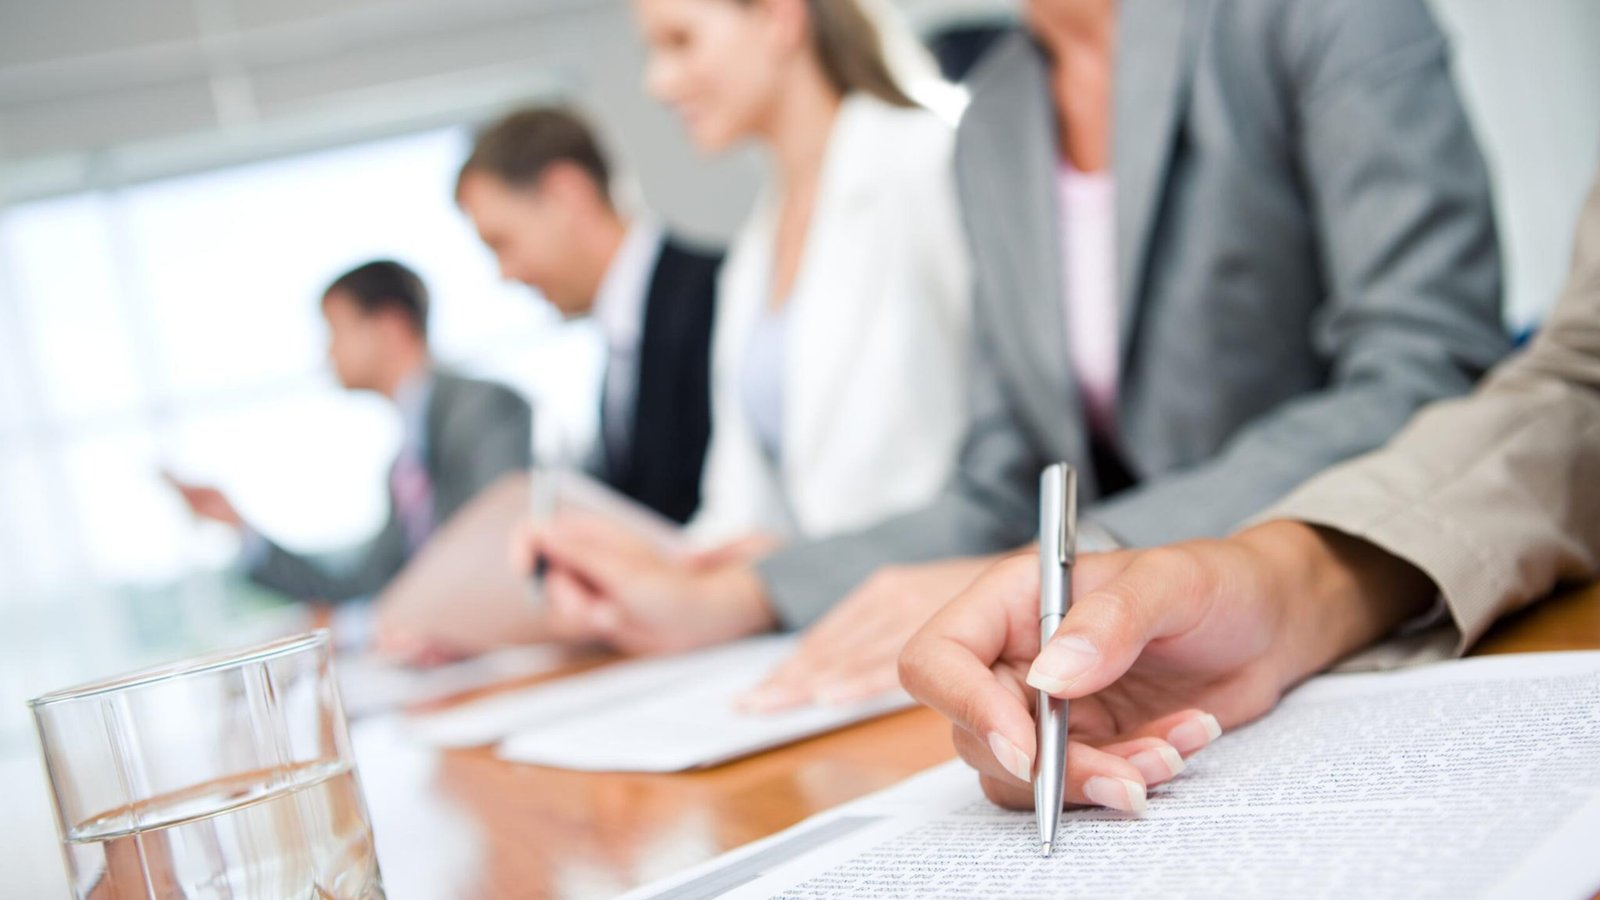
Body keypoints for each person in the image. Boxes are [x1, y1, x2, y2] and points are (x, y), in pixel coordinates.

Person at [528, 0, 1512, 689]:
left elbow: (1423, 365)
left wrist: (1081, 561)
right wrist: (743, 592)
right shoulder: (992, 119)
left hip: (1383, 623)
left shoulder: (1308, 16)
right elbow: (998, 480)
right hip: (1132, 668)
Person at [897, 163, 1600, 811]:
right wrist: (1279, 587)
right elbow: (1579, 388)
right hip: (1222, 607)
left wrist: (1128, 543)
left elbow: (1420, 359)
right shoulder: (994, 119)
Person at [523, 0, 974, 652]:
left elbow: (1009, 467)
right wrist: (607, 562)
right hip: (826, 632)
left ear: (779, 19)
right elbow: (740, 513)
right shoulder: (754, 250)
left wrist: (786, 568)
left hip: (945, 619)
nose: (658, 82)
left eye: (681, 41)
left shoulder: (930, 161)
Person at [168, 260, 533, 602]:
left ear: (390, 327)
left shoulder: (483, 407)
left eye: (335, 330)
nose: (327, 352)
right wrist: (238, 525)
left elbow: (496, 552)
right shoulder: (404, 467)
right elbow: (363, 587)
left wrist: (366, 625)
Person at [457, 106, 721, 524]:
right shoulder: (620, 344)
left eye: (502, 242)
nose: (505, 274)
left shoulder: (716, 294)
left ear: (567, 195)